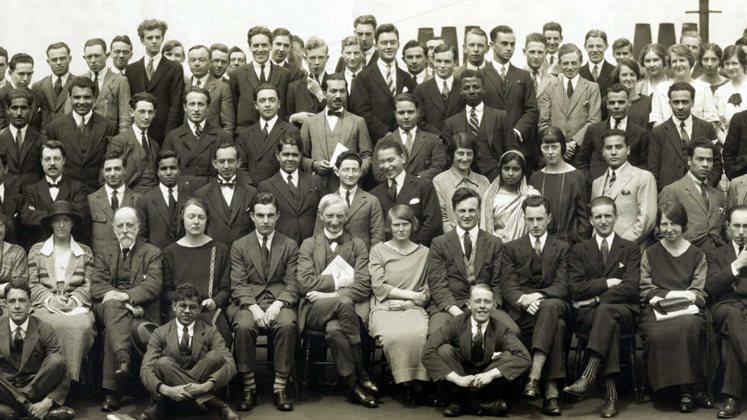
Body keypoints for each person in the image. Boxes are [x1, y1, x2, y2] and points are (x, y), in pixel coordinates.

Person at [297, 194, 379, 407]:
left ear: (347, 216)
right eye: (330, 215)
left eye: (340, 216)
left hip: (339, 309)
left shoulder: (358, 244)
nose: (335, 221)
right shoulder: (308, 244)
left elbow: (363, 285)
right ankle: (361, 371)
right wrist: (343, 282)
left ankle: (352, 386)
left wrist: (330, 294)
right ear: (321, 215)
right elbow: (305, 284)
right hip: (314, 309)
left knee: (335, 330)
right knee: (345, 303)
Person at [564, 196, 641, 418]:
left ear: (616, 217)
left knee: (606, 312)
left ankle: (588, 376)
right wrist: (607, 283)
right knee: (609, 324)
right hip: (589, 314)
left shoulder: (630, 248)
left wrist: (597, 299)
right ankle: (611, 394)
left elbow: (631, 287)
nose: (604, 220)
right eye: (598, 216)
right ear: (590, 220)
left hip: (624, 311)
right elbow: (576, 289)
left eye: (608, 215)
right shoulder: (579, 250)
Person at [638, 201, 716, 413]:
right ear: (658, 226)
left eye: (674, 224)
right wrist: (672, 295)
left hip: (688, 311)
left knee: (688, 327)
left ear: (683, 225)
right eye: (664, 224)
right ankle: (668, 388)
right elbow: (645, 289)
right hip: (657, 310)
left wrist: (687, 298)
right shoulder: (650, 253)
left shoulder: (697, 255)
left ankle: (687, 390)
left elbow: (699, 293)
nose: (669, 229)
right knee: (655, 334)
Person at [229, 192, 300, 412]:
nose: (266, 221)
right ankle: (249, 387)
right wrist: (253, 307)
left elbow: (293, 283)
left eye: (270, 215)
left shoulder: (289, 245)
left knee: (287, 325)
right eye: (260, 215)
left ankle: (279, 387)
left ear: (278, 215)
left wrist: (279, 303)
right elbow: (238, 284)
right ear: (252, 216)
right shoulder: (240, 245)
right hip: (248, 301)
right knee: (243, 326)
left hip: (280, 301)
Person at [501, 195, 571, 416]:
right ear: (524, 219)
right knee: (557, 327)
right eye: (530, 219)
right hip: (524, 312)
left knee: (550, 308)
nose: (535, 224)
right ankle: (551, 393)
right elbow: (508, 285)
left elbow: (563, 284)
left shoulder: (563, 248)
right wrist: (523, 301)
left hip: (554, 303)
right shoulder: (511, 248)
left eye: (540, 219)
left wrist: (538, 296)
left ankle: (534, 376)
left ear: (549, 218)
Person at [91, 206, 162, 412]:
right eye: (120, 226)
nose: (125, 230)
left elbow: (153, 286)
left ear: (138, 227)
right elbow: (96, 286)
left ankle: (112, 391)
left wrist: (127, 297)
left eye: (129, 225)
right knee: (112, 306)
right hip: (112, 307)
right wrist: (125, 303)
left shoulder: (152, 253)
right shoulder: (104, 253)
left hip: (141, 309)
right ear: (113, 229)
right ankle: (123, 360)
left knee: (113, 326)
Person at [423, 285, 530, 417]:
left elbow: (524, 357)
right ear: (469, 304)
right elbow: (427, 351)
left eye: (487, 302)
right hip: (461, 378)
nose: (482, 306)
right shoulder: (456, 323)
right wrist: (456, 379)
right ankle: (481, 405)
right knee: (444, 350)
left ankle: (462, 403)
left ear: (494, 306)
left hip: (486, 382)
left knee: (508, 355)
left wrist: (490, 375)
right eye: (478, 301)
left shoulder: (501, 329)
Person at [428, 188, 520, 335]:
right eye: (462, 210)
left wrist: (488, 307)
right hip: (451, 306)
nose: (467, 215)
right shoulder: (439, 243)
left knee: (511, 331)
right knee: (437, 335)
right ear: (454, 211)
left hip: (486, 304)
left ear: (479, 210)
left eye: (472, 210)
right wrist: (457, 313)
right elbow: (438, 285)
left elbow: (497, 283)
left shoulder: (494, 242)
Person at [139, 283, 238, 420]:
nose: (187, 311)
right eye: (182, 306)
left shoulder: (210, 331)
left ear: (199, 310)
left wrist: (205, 386)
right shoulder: (160, 333)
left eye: (192, 307)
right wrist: (166, 389)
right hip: (172, 392)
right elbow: (146, 369)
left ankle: (162, 405)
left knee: (216, 357)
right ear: (174, 307)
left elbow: (230, 365)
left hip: (197, 386)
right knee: (163, 363)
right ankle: (216, 404)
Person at [369, 204, 436, 404]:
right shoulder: (378, 251)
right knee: (392, 337)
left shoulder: (424, 253)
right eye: (396, 224)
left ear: (412, 225)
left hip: (412, 308)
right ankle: (404, 382)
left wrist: (413, 301)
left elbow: (427, 288)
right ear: (389, 226)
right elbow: (379, 287)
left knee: (420, 335)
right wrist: (410, 296)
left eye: (405, 224)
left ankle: (417, 384)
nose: (400, 229)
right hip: (385, 307)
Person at [27, 200, 95, 383]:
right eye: (57, 220)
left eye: (66, 220)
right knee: (46, 327)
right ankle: (49, 381)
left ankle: (68, 381)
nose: (62, 225)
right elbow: (32, 284)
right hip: (45, 306)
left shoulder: (85, 252)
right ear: (51, 223)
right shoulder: (37, 251)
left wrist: (74, 300)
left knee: (82, 327)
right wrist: (50, 299)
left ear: (73, 223)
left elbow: (89, 284)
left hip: (76, 308)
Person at [0, 278, 73, 420]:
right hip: (6, 389)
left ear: (30, 303)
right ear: (5, 304)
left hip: (36, 387)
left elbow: (63, 370)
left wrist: (48, 401)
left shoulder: (44, 328)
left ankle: (21, 409)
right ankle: (32, 410)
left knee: (57, 360)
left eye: (22, 300)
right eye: (12, 301)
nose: (17, 306)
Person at [162, 199, 231, 345]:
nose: (196, 222)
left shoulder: (219, 250)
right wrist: (182, 303)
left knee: (218, 340)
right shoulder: (170, 252)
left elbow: (225, 289)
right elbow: (167, 290)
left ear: (207, 220)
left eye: (201, 217)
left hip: (208, 310)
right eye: (191, 216)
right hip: (180, 310)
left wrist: (215, 301)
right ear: (183, 218)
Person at [706, 205, 747, 419]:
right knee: (733, 316)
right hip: (724, 308)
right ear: (728, 227)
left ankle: (731, 399)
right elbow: (710, 287)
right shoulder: (715, 254)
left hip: (743, 312)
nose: (742, 232)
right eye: (737, 226)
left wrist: (735, 286)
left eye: (746, 227)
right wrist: (736, 266)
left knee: (734, 337)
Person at [45, 76, 118, 193]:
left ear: (94, 98)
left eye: (87, 97)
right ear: (69, 98)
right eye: (77, 97)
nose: (82, 102)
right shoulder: (54, 127)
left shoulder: (109, 126)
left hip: (97, 191)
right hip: (66, 192)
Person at [442, 70, 518, 181]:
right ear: (460, 91)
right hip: (463, 178)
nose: (471, 91)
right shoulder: (451, 123)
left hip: (496, 175)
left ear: (483, 89)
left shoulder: (500, 116)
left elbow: (511, 150)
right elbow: (448, 157)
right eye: (466, 88)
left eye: (476, 87)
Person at [300, 74, 373, 187]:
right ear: (324, 93)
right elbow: (301, 156)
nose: (338, 96)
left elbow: (367, 156)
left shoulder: (358, 122)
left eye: (342, 91)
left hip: (349, 187)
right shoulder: (309, 123)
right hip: (317, 187)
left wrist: (355, 173)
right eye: (333, 91)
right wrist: (314, 164)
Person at [350, 23, 416, 142]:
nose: (389, 46)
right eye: (384, 43)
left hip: (404, 140)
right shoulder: (364, 77)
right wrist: (385, 133)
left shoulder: (406, 78)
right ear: (376, 46)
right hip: (376, 141)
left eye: (393, 42)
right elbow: (362, 111)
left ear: (398, 45)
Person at [591, 130, 657, 246]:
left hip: (630, 249)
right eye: (609, 148)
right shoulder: (597, 183)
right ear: (603, 152)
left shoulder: (643, 177)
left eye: (618, 147)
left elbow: (647, 220)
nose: (613, 152)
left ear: (628, 150)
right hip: (601, 250)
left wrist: (620, 245)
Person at [370, 139, 442, 246]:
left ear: (403, 158)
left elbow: (432, 223)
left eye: (390, 160)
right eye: (382, 162)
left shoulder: (423, 186)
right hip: (388, 255)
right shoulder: (375, 194)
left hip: (420, 251)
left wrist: (413, 248)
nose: (386, 166)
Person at [648, 82, 720, 190]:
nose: (680, 107)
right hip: (670, 194)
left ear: (693, 102)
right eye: (676, 102)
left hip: (703, 192)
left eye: (685, 102)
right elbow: (653, 169)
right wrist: (664, 194)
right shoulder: (658, 132)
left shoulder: (707, 128)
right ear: (669, 103)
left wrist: (706, 187)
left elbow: (717, 163)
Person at [538, 43, 602, 161]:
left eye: (574, 63)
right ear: (560, 64)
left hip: (582, 151)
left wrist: (573, 143)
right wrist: (560, 144)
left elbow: (594, 120)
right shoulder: (549, 88)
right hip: (555, 151)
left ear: (581, 62)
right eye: (565, 63)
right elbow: (543, 121)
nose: (570, 67)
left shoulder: (592, 88)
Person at [659, 138, 726, 251]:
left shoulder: (718, 195)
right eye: (700, 159)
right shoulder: (672, 190)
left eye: (709, 160)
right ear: (689, 160)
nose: (705, 164)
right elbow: (660, 232)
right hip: (684, 259)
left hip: (716, 259)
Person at [481, 25, 539, 155]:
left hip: (519, 145)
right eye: (504, 43)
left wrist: (517, 131)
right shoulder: (481, 75)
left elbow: (532, 109)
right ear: (492, 45)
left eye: (512, 44)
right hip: (489, 146)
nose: (509, 48)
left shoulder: (523, 76)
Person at [162, 86, 234, 190]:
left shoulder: (222, 136)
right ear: (185, 107)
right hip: (182, 191)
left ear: (208, 108)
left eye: (201, 104)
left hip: (213, 191)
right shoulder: (173, 137)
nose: (196, 109)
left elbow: (229, 169)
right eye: (192, 104)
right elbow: (166, 171)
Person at [575, 83, 649, 182]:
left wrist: (632, 181)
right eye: (612, 103)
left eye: (621, 102)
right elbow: (581, 160)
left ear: (629, 102)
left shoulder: (640, 133)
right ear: (607, 105)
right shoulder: (594, 130)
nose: (616, 106)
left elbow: (644, 164)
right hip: (598, 188)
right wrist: (591, 179)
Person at [20, 140, 88, 249]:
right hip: (39, 249)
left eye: (56, 158)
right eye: (47, 159)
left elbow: (80, 215)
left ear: (64, 160)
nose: (52, 163)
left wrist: (39, 214)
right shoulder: (30, 190)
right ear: (42, 162)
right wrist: (64, 214)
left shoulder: (77, 188)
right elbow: (26, 217)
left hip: (70, 248)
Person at [126, 19, 185, 143]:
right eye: (149, 38)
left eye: (158, 37)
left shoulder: (174, 68)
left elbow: (176, 105)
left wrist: (169, 135)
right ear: (142, 40)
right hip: (138, 132)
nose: (154, 41)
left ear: (163, 39)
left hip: (164, 132)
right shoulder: (132, 69)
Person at [258, 136, 324, 245]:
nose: (290, 159)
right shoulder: (265, 187)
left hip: (313, 246)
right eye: (286, 154)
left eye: (295, 155)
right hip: (280, 248)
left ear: (301, 156)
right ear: (277, 155)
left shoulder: (315, 181)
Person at [529, 126, 590, 244]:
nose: (550, 152)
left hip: (569, 245)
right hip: (540, 245)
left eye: (554, 147)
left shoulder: (576, 176)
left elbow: (584, 219)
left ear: (562, 147)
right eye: (546, 147)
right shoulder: (535, 178)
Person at [314, 151, 385, 249]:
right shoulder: (327, 201)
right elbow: (318, 234)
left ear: (360, 172)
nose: (350, 174)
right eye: (346, 170)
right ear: (337, 172)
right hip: (333, 259)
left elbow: (378, 237)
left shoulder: (371, 201)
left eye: (354, 170)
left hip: (362, 259)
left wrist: (370, 262)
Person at [194, 142, 258, 246]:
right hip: (213, 253)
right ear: (215, 164)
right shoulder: (201, 194)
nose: (226, 166)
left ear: (238, 163)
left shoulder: (251, 192)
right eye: (222, 161)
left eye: (231, 161)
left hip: (245, 254)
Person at [373, 93, 446, 182]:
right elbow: (379, 174)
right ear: (395, 114)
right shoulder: (383, 143)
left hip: (424, 191)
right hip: (393, 193)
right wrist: (401, 183)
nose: (406, 117)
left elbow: (438, 167)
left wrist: (415, 181)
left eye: (410, 112)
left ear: (418, 112)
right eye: (401, 113)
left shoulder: (433, 140)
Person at [229, 25, 291, 131]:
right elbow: (233, 109)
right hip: (245, 136)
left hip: (276, 134)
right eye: (256, 45)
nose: (260, 49)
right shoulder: (237, 74)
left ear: (271, 46)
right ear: (249, 47)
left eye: (264, 45)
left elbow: (286, 108)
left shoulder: (284, 74)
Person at [236, 84, 298, 184]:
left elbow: (292, 166)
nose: (267, 104)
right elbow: (240, 167)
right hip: (253, 190)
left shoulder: (291, 131)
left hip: (280, 188)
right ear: (256, 105)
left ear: (279, 104)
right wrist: (251, 187)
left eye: (272, 100)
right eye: (262, 100)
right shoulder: (245, 134)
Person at [650, 44, 719, 127]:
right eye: (674, 61)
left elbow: (710, 121)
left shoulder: (704, 88)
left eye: (682, 60)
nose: (678, 65)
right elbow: (656, 120)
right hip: (667, 137)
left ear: (690, 63)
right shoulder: (660, 89)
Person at [136, 150, 193, 249]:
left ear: (179, 170)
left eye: (173, 168)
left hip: (186, 259)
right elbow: (140, 237)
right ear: (157, 172)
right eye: (163, 169)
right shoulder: (145, 201)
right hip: (157, 261)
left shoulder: (190, 199)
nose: (168, 173)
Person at [434, 133, 490, 233]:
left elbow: (487, 215)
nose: (465, 158)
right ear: (451, 154)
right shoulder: (439, 181)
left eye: (469, 154)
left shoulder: (483, 181)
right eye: (460, 153)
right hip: (451, 240)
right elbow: (441, 217)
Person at [106, 92, 161, 193]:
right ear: (131, 112)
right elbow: (108, 176)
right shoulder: (119, 141)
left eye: (150, 112)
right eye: (142, 112)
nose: (146, 117)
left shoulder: (154, 145)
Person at [87, 152, 140, 253]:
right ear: (102, 172)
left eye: (117, 169)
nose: (112, 174)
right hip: (100, 264)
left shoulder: (137, 200)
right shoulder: (91, 200)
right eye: (108, 169)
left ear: (125, 170)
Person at [482, 150, 540, 242]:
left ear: (523, 171)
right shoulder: (491, 197)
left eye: (516, 169)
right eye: (506, 168)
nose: (510, 174)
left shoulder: (531, 195)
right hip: (497, 249)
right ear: (500, 170)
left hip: (523, 250)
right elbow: (485, 228)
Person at [83, 38, 132, 133]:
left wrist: (120, 143)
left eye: (97, 56)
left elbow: (125, 118)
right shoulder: (80, 81)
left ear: (107, 55)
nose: (93, 60)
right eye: (89, 57)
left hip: (110, 139)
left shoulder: (120, 80)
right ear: (84, 58)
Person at [0, 88, 46, 188]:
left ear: (30, 109)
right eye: (14, 108)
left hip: (33, 197)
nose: (19, 113)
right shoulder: (1, 139)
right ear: (7, 110)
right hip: (6, 198)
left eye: (23, 108)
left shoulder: (41, 140)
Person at [414, 43, 463, 136]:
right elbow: (419, 120)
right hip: (432, 143)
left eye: (447, 61)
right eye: (438, 61)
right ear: (433, 61)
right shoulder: (421, 90)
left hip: (458, 143)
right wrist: (439, 136)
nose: (442, 65)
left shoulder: (463, 87)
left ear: (455, 62)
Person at [185, 45, 235, 135]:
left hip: (213, 143)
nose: (197, 63)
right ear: (188, 63)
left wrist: (223, 146)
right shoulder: (183, 86)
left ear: (209, 62)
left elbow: (228, 124)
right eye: (193, 60)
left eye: (202, 60)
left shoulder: (222, 87)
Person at [287, 37, 330, 127]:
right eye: (312, 58)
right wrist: (293, 117)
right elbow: (285, 117)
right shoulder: (294, 88)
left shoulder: (336, 83)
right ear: (305, 59)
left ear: (327, 58)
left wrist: (319, 94)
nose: (317, 62)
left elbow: (341, 115)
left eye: (321, 57)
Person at [0, 53, 46, 132]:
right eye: (21, 74)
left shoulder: (37, 97)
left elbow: (42, 128)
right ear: (10, 73)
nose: (25, 78)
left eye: (29, 74)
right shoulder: (1, 95)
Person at [31, 42, 74, 125]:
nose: (58, 63)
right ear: (48, 62)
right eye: (54, 60)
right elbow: (33, 117)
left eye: (62, 58)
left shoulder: (78, 83)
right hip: (44, 136)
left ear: (70, 59)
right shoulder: (38, 86)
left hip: (70, 134)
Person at [715, 45, 747, 150]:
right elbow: (718, 126)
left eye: (734, 63)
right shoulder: (721, 91)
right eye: (727, 64)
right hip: (730, 149)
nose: (730, 68)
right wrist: (728, 145)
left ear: (743, 64)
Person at [579, 30, 615, 120]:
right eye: (591, 46)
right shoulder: (578, 73)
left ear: (606, 47)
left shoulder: (615, 72)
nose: (595, 50)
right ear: (585, 47)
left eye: (599, 46)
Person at [610, 59, 653, 129]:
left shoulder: (648, 102)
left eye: (632, 75)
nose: (629, 78)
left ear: (637, 77)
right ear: (618, 77)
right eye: (624, 75)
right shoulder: (610, 102)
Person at [0, 212, 27, 308]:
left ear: (6, 228)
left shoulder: (17, 252)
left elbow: (18, 286)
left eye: (0, 225)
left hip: (11, 304)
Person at [524, 33, 557, 101]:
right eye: (532, 52)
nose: (536, 57)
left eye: (540, 52)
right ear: (524, 52)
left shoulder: (554, 81)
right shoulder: (515, 78)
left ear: (546, 53)